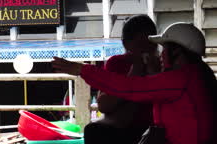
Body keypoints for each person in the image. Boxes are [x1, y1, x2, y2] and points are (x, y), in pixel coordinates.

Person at [52, 22, 216, 144]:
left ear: (177, 52)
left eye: (164, 49)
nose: (160, 54)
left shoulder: (181, 78)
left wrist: (82, 69)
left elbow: (130, 88)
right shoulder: (198, 73)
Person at [84, 15, 159, 144]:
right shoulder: (116, 63)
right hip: (118, 125)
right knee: (93, 130)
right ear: (126, 44)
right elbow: (104, 105)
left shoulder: (161, 64)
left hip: (150, 125)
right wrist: (135, 72)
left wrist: (154, 73)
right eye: (140, 45)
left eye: (150, 45)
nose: (146, 50)